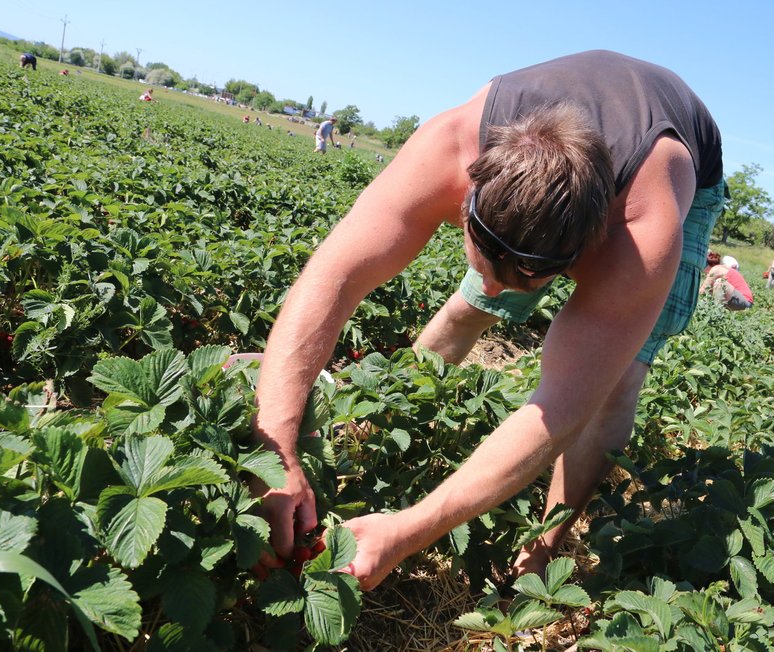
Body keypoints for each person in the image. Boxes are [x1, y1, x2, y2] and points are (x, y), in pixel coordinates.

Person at [251, 50, 725, 590]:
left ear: (583, 254)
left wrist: (409, 531)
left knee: (616, 380)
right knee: (468, 307)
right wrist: (276, 448)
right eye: (485, 262)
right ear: (468, 197)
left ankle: (546, 545)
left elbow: (562, 406)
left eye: (523, 278)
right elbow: (331, 280)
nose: (497, 286)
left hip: (676, 156)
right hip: (535, 163)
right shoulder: (450, 146)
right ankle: (378, 426)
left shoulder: (642, 231)